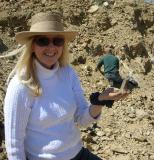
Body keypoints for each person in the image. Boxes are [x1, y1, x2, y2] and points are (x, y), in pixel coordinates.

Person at [3, 12, 128, 160]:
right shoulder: (20, 85)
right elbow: (14, 144)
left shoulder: (68, 73)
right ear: (32, 46)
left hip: (78, 154)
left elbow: (81, 119)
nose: (51, 47)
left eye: (57, 41)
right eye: (43, 40)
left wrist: (100, 100)